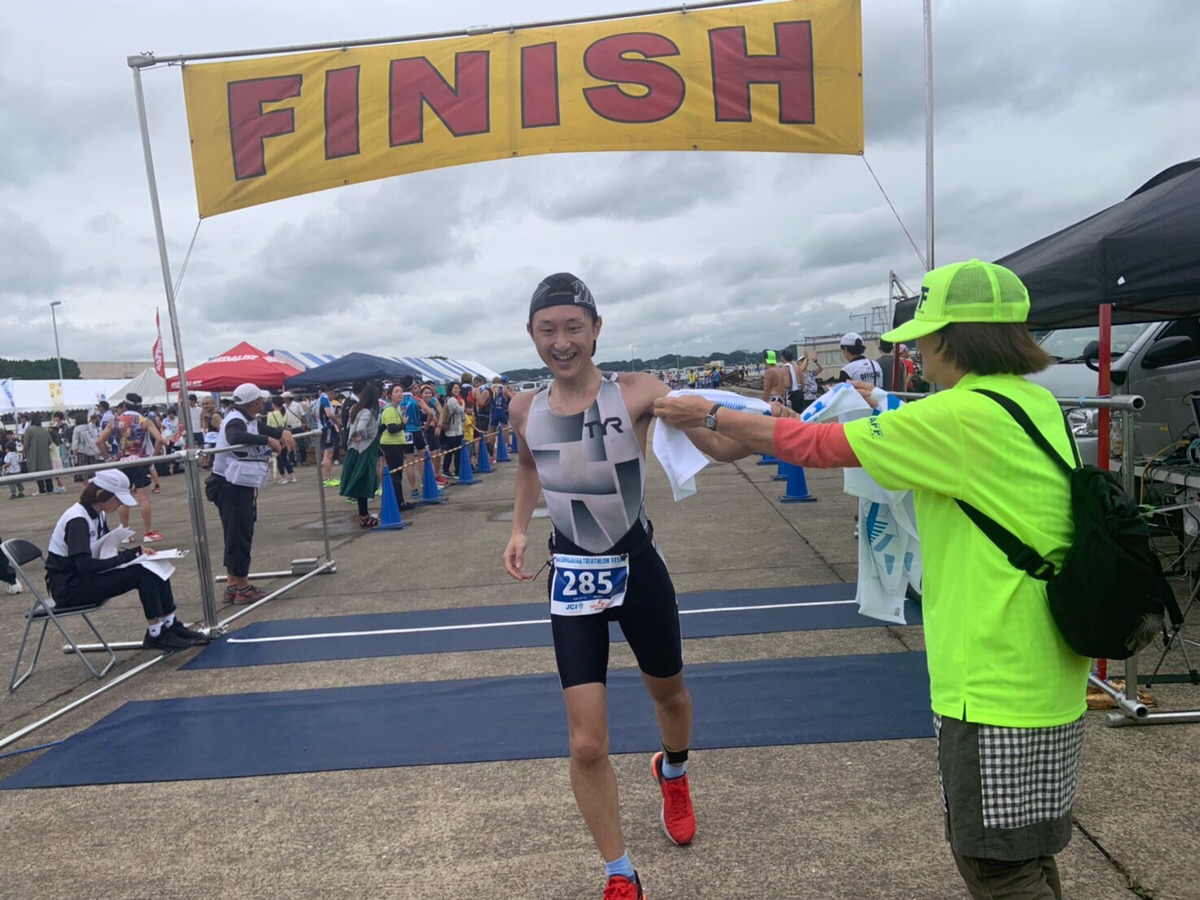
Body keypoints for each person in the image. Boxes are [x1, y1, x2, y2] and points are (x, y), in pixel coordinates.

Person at [653, 259, 1087, 900]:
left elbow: (810, 445)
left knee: (995, 864)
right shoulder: (1033, 402)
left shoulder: (960, 416)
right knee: (1027, 850)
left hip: (994, 684)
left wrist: (709, 413)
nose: (915, 347)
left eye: (925, 333)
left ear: (953, 339)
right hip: (1052, 673)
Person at [503, 272, 750, 900]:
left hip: (637, 566)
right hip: (573, 575)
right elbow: (530, 466)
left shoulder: (638, 392)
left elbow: (716, 448)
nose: (561, 342)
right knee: (586, 743)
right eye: (547, 330)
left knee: (670, 696)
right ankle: (620, 873)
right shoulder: (523, 408)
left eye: (573, 327)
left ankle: (673, 769)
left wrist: (777, 425)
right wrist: (519, 530)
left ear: (596, 329)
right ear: (531, 336)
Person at [45, 469, 206, 650]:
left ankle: (170, 623)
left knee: (153, 564)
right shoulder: (78, 520)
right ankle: (156, 632)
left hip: (82, 579)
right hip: (69, 588)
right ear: (101, 494)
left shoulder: (98, 513)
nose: (120, 504)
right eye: (118, 498)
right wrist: (128, 556)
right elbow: (84, 566)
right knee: (143, 573)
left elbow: (103, 551)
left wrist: (134, 554)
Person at [208, 383, 295, 604]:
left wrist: (282, 432)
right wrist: (268, 440)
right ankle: (243, 587)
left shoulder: (247, 419)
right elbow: (235, 436)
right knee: (239, 535)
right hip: (229, 486)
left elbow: (263, 429)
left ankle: (232, 584)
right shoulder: (236, 420)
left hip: (234, 484)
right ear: (254, 402)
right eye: (261, 399)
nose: (264, 402)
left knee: (235, 534)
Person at [98, 394, 165, 542]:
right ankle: (148, 532)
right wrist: (153, 457)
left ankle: (125, 533)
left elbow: (99, 441)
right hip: (139, 460)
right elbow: (160, 439)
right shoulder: (144, 421)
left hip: (122, 461)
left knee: (122, 498)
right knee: (144, 499)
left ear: (125, 406)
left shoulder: (114, 421)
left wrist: (108, 459)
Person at [339, 382, 383, 527]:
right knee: (364, 482)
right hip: (364, 450)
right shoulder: (366, 412)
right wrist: (361, 435)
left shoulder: (354, 408)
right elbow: (360, 428)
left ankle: (363, 514)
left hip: (354, 449)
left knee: (360, 483)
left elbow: (347, 426)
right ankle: (364, 516)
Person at [379, 384, 416, 509]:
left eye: (401, 391)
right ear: (390, 395)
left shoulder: (397, 408)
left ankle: (399, 501)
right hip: (390, 444)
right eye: (396, 392)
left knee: (397, 474)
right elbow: (392, 429)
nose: (399, 394)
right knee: (395, 474)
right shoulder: (389, 409)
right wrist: (403, 424)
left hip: (397, 444)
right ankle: (398, 503)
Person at [266, 397, 298, 484]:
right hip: (285, 438)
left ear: (274, 404)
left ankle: (284, 477)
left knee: (279, 458)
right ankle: (293, 476)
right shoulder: (286, 413)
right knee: (285, 458)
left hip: (276, 439)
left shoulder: (271, 414)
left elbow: (268, 428)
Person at [21, 414, 54, 496]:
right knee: (47, 471)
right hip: (45, 453)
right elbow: (50, 441)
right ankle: (50, 489)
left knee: (37, 471)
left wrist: (23, 452)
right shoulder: (44, 430)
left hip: (34, 453)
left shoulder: (29, 429)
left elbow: (26, 443)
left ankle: (42, 490)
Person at [440, 382, 466, 479]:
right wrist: (463, 404)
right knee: (457, 452)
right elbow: (460, 411)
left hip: (450, 430)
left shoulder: (448, 399)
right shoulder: (452, 400)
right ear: (450, 389)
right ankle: (457, 471)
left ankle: (446, 470)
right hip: (454, 430)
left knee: (450, 451)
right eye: (455, 388)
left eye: (458, 388)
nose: (457, 390)